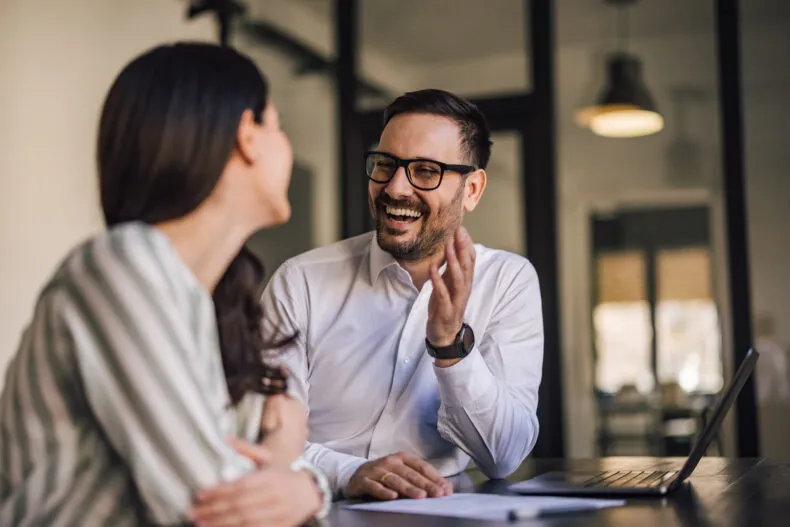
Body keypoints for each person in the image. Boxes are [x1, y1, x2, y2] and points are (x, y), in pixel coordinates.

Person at [0, 42, 330, 526]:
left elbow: (264, 492)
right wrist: (290, 460)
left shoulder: (210, 305)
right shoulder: (120, 266)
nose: (287, 146)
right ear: (247, 135)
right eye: (277, 126)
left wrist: (306, 485)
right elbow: (211, 505)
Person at [262, 88, 544, 500]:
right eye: (385, 164)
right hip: (315, 510)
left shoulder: (508, 282)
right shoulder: (300, 282)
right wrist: (349, 474)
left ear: (472, 190)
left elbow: (504, 456)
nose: (395, 188)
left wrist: (451, 348)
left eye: (426, 171)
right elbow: (262, 435)